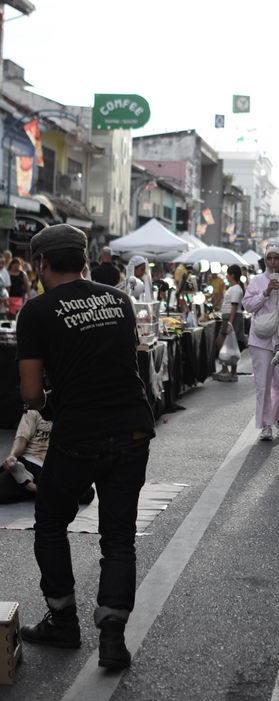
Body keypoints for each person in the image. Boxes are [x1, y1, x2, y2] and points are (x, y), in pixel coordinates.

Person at [17, 223, 154, 669]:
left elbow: (31, 394)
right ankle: (112, 639)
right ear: (84, 259)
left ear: (41, 262)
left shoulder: (36, 311)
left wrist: (47, 399)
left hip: (79, 434)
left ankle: (63, 621)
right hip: (133, 428)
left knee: (50, 522)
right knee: (118, 536)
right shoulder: (119, 300)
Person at [242, 245, 279, 441]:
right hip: (260, 339)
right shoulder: (257, 281)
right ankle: (265, 424)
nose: (273, 262)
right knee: (263, 384)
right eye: (269, 258)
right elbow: (248, 306)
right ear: (265, 261)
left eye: (276, 258)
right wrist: (265, 292)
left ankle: (278, 416)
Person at [0, 407, 95, 505]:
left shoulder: (73, 414)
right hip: (29, 463)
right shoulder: (33, 410)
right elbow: (21, 438)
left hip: (56, 468)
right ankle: (43, 491)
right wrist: (12, 455)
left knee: (88, 494)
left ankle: (30, 486)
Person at [215, 264, 244, 382]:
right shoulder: (233, 288)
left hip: (232, 318)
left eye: (227, 274)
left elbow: (234, 307)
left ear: (232, 275)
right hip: (229, 318)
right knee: (228, 344)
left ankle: (229, 370)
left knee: (228, 344)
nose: (226, 276)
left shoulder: (236, 288)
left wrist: (230, 323)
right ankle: (229, 370)